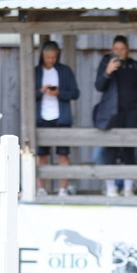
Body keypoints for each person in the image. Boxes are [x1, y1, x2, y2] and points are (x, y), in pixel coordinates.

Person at [93, 35, 137, 196]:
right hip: (112, 114)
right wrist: (108, 71)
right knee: (109, 149)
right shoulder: (106, 62)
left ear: (127, 50)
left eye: (122, 49)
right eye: (116, 49)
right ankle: (111, 187)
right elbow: (99, 86)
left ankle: (128, 186)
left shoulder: (133, 66)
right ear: (112, 50)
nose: (119, 52)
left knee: (129, 150)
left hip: (130, 113)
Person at [34, 40, 80, 197]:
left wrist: (59, 93)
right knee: (41, 155)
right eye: (48, 57)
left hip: (62, 118)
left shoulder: (65, 71)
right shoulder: (35, 72)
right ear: (43, 56)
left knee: (63, 154)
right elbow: (27, 93)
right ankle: (41, 189)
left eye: (54, 57)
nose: (51, 60)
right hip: (41, 118)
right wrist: (41, 92)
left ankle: (63, 189)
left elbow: (75, 93)